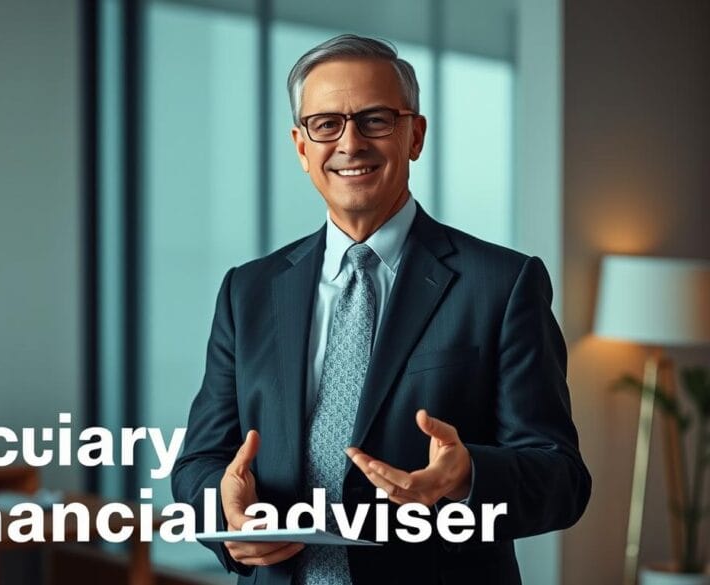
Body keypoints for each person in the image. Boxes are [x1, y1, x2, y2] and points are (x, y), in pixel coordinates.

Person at [170, 34, 590, 585]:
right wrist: (225, 515)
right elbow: (199, 462)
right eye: (326, 124)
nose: (350, 143)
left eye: (375, 120)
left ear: (414, 135)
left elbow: (561, 478)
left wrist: (467, 476)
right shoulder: (247, 291)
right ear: (301, 147)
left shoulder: (503, 284)